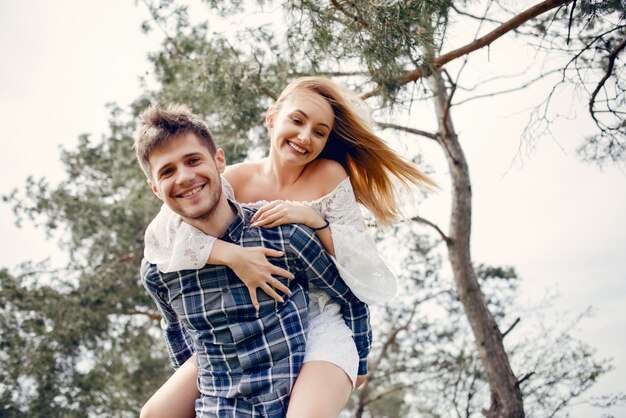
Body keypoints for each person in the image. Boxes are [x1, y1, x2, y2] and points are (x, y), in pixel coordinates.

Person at [141, 76, 436, 418]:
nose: (304, 136)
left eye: (319, 131)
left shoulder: (328, 174)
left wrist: (315, 220)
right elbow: (162, 239)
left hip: (318, 316)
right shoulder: (232, 179)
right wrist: (233, 255)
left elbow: (358, 271)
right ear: (272, 118)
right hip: (256, 315)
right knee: (156, 413)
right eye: (297, 121)